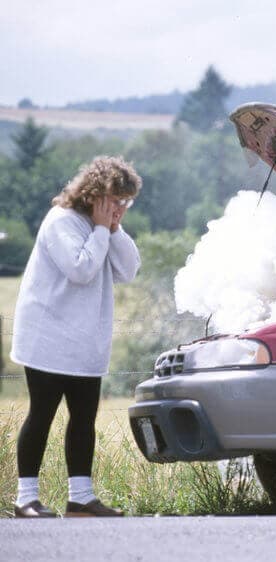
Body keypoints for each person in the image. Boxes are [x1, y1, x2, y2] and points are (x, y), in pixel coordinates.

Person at [11, 155, 142, 518]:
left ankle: (80, 498)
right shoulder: (61, 222)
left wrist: (113, 230)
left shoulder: (102, 226)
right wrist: (102, 230)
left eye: (125, 202)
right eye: (116, 200)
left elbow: (128, 269)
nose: (120, 208)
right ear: (96, 194)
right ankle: (25, 499)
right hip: (49, 338)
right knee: (42, 415)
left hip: (85, 341)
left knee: (84, 419)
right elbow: (80, 270)